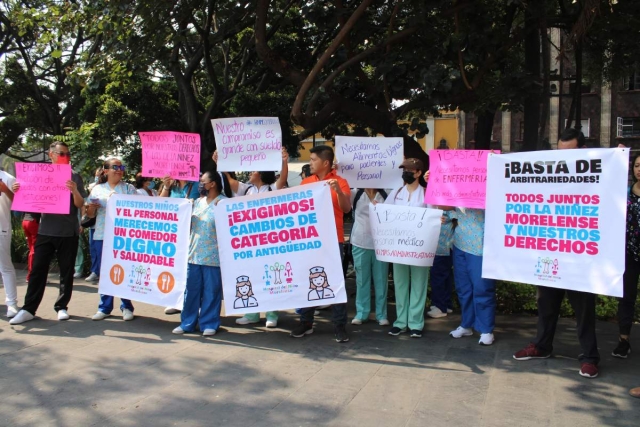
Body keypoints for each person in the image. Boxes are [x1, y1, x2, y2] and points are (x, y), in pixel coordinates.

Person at [513, 128, 600, 378]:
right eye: (560, 152)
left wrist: (616, 158)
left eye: (570, 153)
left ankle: (590, 357)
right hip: (551, 251)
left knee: (583, 309)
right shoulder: (550, 173)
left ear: (582, 151)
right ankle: (542, 346)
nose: (564, 158)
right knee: (546, 304)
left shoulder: (594, 172)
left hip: (579, 255)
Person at [10, 142, 87, 324]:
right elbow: (26, 201)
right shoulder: (38, 175)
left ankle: (61, 307)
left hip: (68, 232)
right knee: (38, 270)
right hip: (46, 230)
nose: (65, 157)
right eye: (61, 153)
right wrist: (17, 191)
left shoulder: (74, 176)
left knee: (66, 272)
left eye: (68, 154)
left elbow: (80, 204)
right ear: (50, 154)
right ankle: (29, 308)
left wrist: (74, 190)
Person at [214, 148, 289, 327]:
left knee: (271, 276)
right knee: (251, 276)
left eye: (253, 169)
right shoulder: (246, 189)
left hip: (270, 241)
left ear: (262, 173)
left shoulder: (272, 188)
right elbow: (230, 180)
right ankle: (252, 314)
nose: (249, 172)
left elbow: (283, 178)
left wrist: (284, 161)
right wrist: (220, 162)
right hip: (250, 243)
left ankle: (271, 315)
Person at [291, 145, 351, 343]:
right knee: (306, 279)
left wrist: (338, 192)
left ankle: (339, 325)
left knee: (336, 283)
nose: (310, 163)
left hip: (334, 241)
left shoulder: (340, 182)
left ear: (325, 163)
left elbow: (346, 209)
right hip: (309, 241)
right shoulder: (306, 182)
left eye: (313, 159)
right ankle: (306, 322)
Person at [172, 170, 228, 336]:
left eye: (203, 181)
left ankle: (209, 323)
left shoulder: (223, 203)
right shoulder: (196, 202)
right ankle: (187, 323)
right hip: (194, 255)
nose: (200, 184)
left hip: (213, 256)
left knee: (211, 291)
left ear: (213, 184)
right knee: (191, 291)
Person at [87, 158, 138, 321]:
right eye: (115, 167)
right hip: (102, 234)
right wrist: (91, 209)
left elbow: (138, 209)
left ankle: (127, 306)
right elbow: (89, 215)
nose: (119, 170)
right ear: (106, 170)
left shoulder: (129, 188)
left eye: (122, 166)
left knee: (124, 270)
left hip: (123, 236)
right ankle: (105, 307)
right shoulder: (97, 189)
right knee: (105, 272)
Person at [385, 158, 430, 338]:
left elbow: (433, 214)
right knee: (400, 284)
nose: (406, 173)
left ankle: (416, 323)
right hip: (399, 246)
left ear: (418, 173)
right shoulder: (396, 193)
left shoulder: (427, 193)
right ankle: (400, 322)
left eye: (409, 170)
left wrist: (438, 219)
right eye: (404, 170)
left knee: (419, 284)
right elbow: (384, 212)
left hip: (420, 247)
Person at [447, 206, 496, 345]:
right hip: (460, 242)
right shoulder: (457, 185)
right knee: (463, 288)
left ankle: (486, 329)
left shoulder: (489, 186)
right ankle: (466, 324)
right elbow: (446, 206)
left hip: (480, 245)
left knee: (482, 288)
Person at [612, 152, 640, 359]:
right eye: (637, 165)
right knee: (626, 297)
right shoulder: (626, 192)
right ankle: (624, 340)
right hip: (629, 253)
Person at [160, 175, 199, 315]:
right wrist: (166, 187)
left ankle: (194, 303)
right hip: (174, 231)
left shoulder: (197, 184)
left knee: (190, 269)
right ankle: (177, 302)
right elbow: (161, 203)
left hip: (193, 231)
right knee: (175, 267)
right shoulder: (171, 184)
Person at [350, 188, 389, 326]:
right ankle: (361, 313)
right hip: (360, 243)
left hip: (381, 244)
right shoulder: (355, 193)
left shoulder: (387, 193)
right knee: (361, 281)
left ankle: (381, 314)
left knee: (381, 280)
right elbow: (342, 205)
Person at [426, 212, 455, 318]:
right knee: (445, 275)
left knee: (438, 274)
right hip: (444, 244)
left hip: (443, 245)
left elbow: (454, 214)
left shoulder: (448, 203)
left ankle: (440, 307)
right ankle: (446, 304)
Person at [0, 169, 18, 318]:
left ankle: (11, 303)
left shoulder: (7, 178)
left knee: (5, 267)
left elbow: (19, 204)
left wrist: (5, 190)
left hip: (1, 228)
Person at [84, 167, 106, 282]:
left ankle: (100, 272)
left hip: (105, 227)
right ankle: (95, 271)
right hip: (94, 226)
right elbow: (87, 208)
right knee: (94, 249)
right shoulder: (95, 188)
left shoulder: (124, 188)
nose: (99, 176)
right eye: (98, 174)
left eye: (101, 174)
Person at [21, 212, 40, 283]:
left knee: (31, 249)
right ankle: (32, 276)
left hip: (25, 220)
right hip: (33, 221)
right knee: (35, 250)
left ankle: (30, 275)